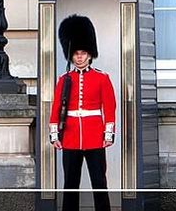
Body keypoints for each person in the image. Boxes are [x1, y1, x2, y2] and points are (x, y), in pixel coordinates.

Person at [49, 14, 116, 211]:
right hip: (70, 137)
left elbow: (109, 107)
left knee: (99, 182)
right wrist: (55, 135)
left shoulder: (102, 78)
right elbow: (56, 108)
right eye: (76, 53)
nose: (79, 56)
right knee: (70, 183)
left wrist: (108, 134)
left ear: (90, 54)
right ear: (71, 55)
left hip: (95, 137)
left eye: (83, 53)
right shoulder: (64, 79)